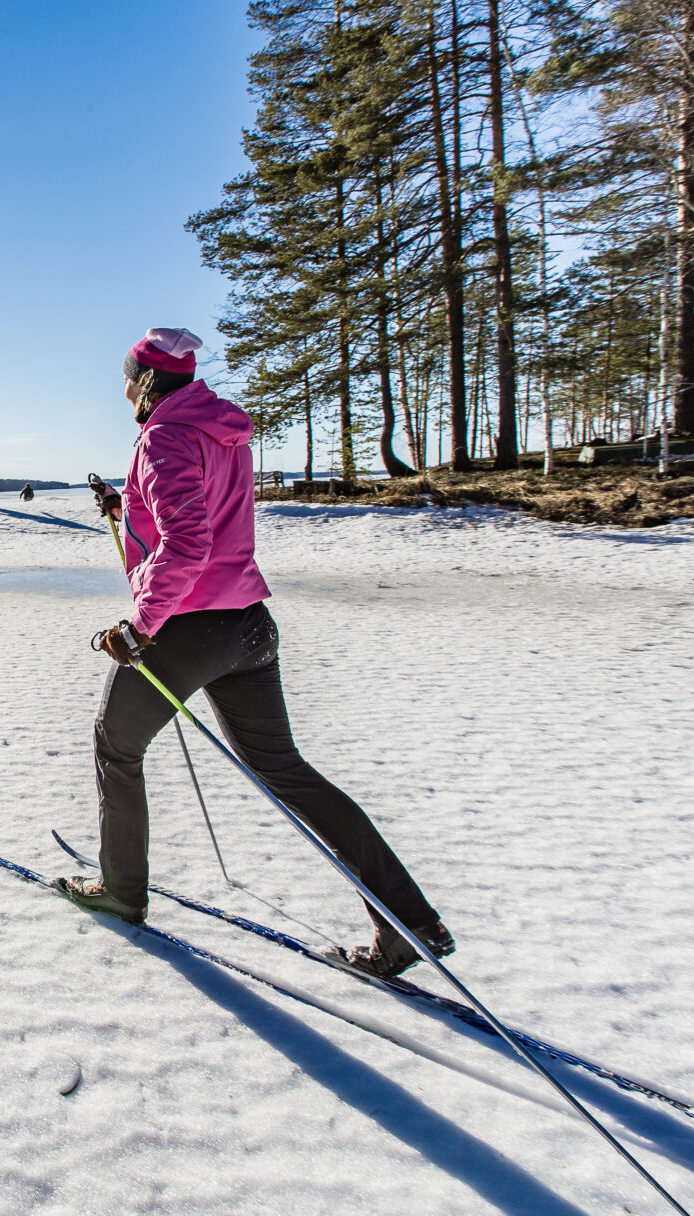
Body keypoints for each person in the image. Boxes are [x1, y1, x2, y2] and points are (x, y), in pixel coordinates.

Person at [56, 327, 453, 979]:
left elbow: (186, 549)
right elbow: (194, 518)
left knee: (115, 745)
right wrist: (125, 508)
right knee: (286, 771)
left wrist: (140, 628)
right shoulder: (218, 432)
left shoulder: (163, 438)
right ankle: (408, 921)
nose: (124, 389)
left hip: (190, 629)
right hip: (248, 626)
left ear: (148, 381)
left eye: (128, 378)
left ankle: (121, 891)